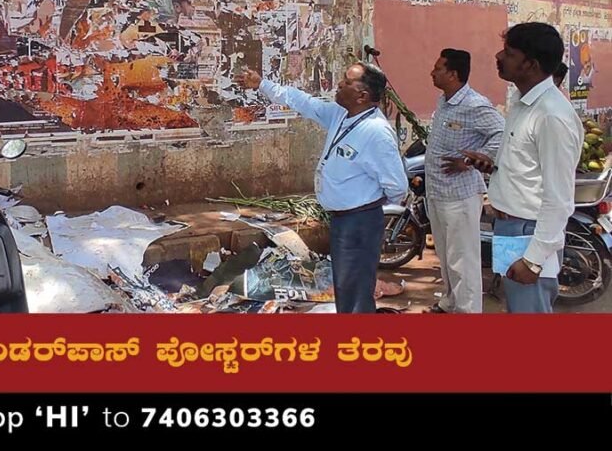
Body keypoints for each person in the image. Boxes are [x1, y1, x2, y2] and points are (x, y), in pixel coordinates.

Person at [242, 63, 408, 312]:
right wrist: (262, 84)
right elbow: (303, 102)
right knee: (345, 288)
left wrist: (366, 204)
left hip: (360, 221)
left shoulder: (376, 132)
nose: (339, 85)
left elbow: (397, 186)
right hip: (343, 220)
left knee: (357, 291)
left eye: (347, 82)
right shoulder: (341, 115)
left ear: (362, 95)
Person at [463, 23, 584, 313]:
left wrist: (534, 259)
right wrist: (494, 168)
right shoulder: (522, 103)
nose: (499, 57)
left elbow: (559, 198)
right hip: (510, 226)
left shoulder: (551, 115)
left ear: (530, 64)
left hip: (529, 232)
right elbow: (530, 169)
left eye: (509, 53)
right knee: (517, 309)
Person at [425, 49, 504, 313]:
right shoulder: (443, 101)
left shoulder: (475, 104)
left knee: (463, 259)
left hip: (460, 195)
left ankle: (468, 311)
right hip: (437, 191)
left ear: (453, 74)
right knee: (446, 255)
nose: (432, 72)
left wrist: (470, 162)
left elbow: (502, 133)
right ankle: (450, 302)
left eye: (438, 68)